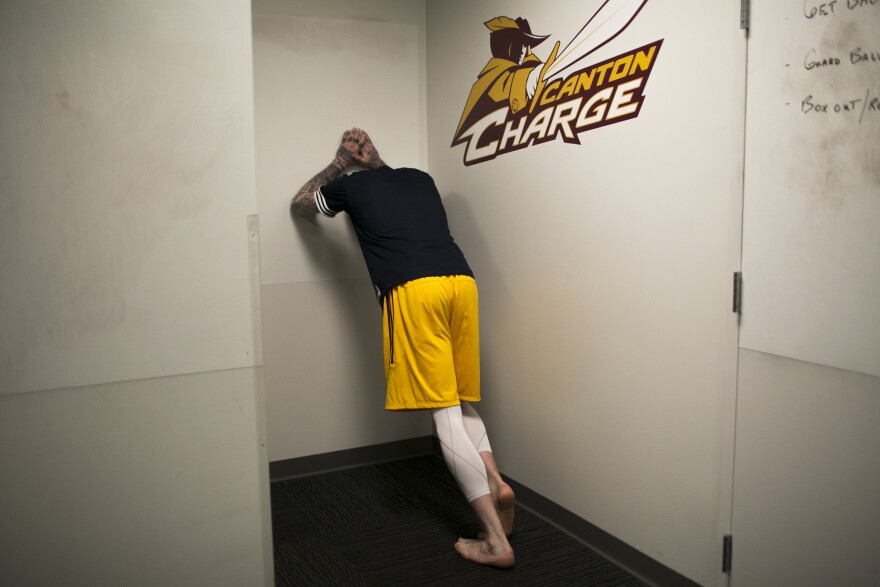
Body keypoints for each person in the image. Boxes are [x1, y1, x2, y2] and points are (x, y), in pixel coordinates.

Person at [291, 128, 516, 568]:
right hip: (461, 283)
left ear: (355, 160)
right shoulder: (420, 178)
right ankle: (493, 478)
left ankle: (494, 541)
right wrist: (372, 159)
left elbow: (301, 206)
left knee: (442, 413)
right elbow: (388, 179)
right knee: (460, 398)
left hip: (413, 291)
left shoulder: (348, 185)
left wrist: (339, 163)